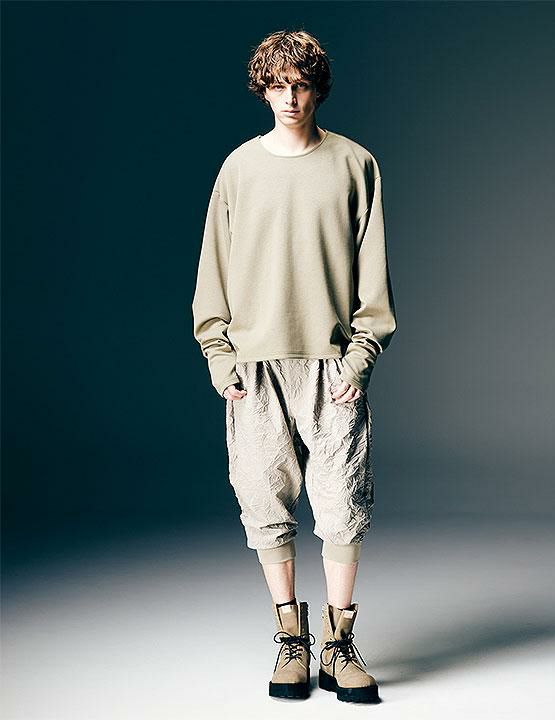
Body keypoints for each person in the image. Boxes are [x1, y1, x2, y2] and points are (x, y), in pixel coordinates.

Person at [191, 29, 396, 704]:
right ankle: (291, 637)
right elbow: (214, 270)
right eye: (277, 85)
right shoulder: (238, 169)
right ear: (263, 90)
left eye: (301, 84)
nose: (289, 97)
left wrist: (360, 358)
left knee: (342, 503)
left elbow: (373, 275)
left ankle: (339, 643)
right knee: (263, 498)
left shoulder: (355, 164)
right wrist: (219, 354)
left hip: (332, 364)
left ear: (318, 89)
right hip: (255, 366)